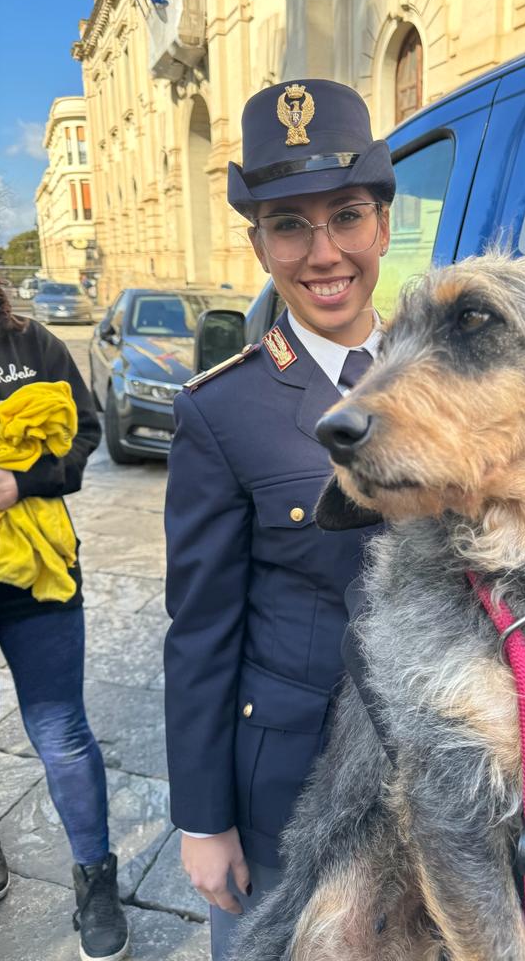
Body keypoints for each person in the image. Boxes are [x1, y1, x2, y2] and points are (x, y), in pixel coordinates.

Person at [163, 79, 394, 959]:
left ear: (381, 224)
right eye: (290, 224)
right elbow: (200, 631)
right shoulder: (224, 411)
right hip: (286, 791)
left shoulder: (441, 373)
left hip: (430, 772)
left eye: (346, 215)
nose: (323, 251)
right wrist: (203, 820)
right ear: (259, 244)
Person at [0, 287, 129, 960]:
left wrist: (21, 480)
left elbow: (83, 430)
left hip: (39, 573)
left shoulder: (32, 343)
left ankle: (95, 880)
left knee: (61, 732)